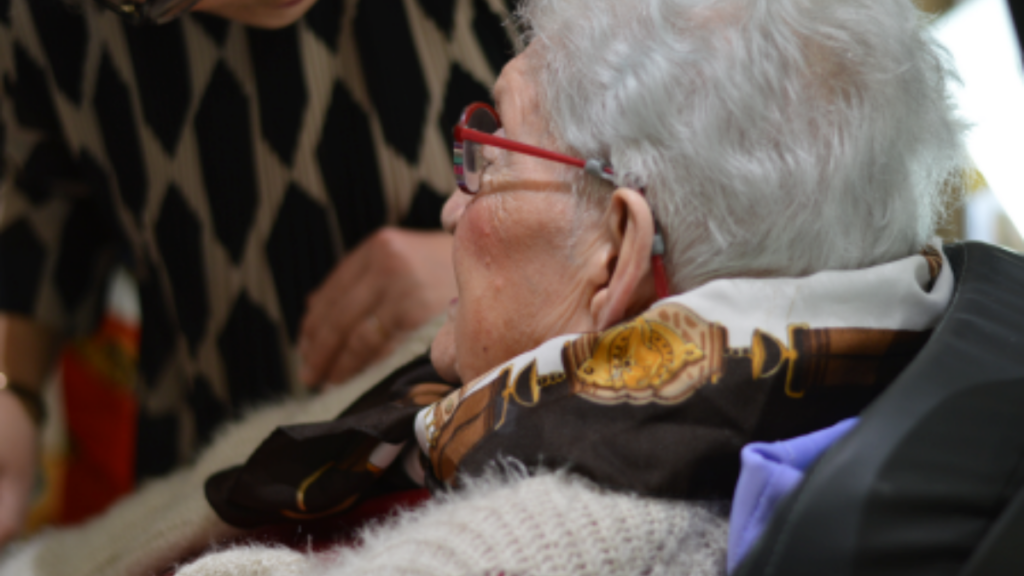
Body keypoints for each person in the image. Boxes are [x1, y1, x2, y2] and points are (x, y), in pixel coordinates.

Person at [1, 0, 970, 573]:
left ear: (616, 252)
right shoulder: (731, 379)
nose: (449, 206)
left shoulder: (554, 537)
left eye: (485, 154)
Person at [0, 0, 513, 546]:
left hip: (489, 471)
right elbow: (42, 201)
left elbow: (609, 164)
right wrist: (14, 390)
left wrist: (496, 259)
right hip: (210, 488)